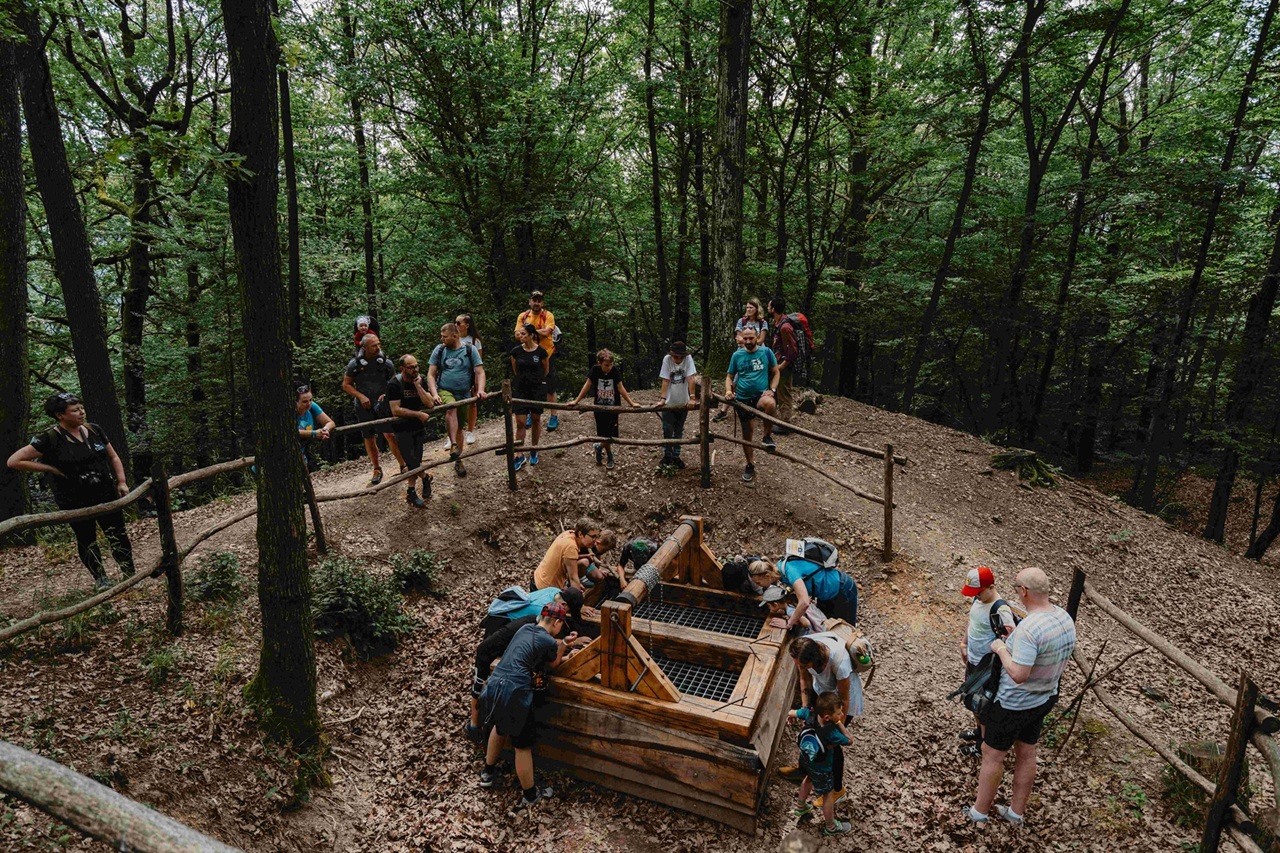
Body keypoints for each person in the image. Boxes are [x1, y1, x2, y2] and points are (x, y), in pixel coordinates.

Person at [965, 567, 1076, 827]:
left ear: (1024, 591)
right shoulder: (1064, 618)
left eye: (1017, 588)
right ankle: (1016, 813)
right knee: (1027, 753)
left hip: (1013, 704)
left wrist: (1001, 648)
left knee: (992, 755)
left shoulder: (1029, 629)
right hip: (1043, 698)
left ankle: (979, 813)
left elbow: (1018, 673)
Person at [7, 393, 134, 589]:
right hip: (74, 498)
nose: (81, 412)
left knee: (118, 533)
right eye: (75, 410)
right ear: (60, 415)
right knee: (86, 538)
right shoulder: (49, 439)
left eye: (81, 408)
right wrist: (49, 468)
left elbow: (114, 457)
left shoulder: (94, 430)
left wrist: (122, 482)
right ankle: (101, 578)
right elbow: (14, 461)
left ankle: (129, 574)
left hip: (105, 491)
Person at [478, 602, 577, 811]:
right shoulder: (548, 641)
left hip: (494, 684)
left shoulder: (524, 628)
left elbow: (532, 652)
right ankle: (530, 794)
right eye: (562, 625)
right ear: (558, 622)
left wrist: (562, 643)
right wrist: (565, 646)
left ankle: (487, 772)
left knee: (499, 727)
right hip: (515, 692)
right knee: (522, 746)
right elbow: (553, 663)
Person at [466, 590, 591, 742]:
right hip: (492, 648)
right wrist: (568, 644)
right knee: (479, 686)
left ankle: (491, 725)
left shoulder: (551, 601)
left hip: (507, 638)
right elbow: (548, 651)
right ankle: (474, 726)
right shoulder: (537, 619)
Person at [779, 633, 862, 806]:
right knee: (810, 731)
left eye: (802, 664)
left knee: (830, 745)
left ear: (814, 661)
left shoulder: (839, 662)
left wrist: (836, 726)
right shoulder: (805, 648)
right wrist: (805, 708)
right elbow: (804, 678)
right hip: (823, 695)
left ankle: (838, 790)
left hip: (839, 705)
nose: (799, 666)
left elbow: (844, 699)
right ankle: (803, 770)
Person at [958, 566, 1017, 757]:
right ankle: (978, 732)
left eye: (979, 592)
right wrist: (964, 643)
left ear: (991, 587)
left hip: (987, 667)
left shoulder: (1000, 610)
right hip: (973, 661)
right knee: (972, 701)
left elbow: (1013, 641)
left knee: (982, 706)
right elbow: (973, 622)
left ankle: (982, 745)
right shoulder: (978, 600)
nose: (975, 596)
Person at [342, 333, 405, 486]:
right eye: (374, 346)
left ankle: (403, 465)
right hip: (364, 405)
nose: (378, 348)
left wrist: (387, 394)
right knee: (369, 437)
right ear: (364, 347)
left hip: (383, 404)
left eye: (378, 344)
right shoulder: (355, 364)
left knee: (390, 434)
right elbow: (346, 385)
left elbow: (394, 382)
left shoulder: (386, 363)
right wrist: (360, 396)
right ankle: (376, 469)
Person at [427, 323, 487, 477]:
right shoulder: (439, 350)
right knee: (451, 407)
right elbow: (431, 374)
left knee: (460, 427)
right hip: (445, 390)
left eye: (445, 336)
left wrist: (480, 390)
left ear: (455, 336)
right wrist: (434, 393)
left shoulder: (469, 349)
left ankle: (458, 458)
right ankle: (453, 444)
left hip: (464, 393)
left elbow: (479, 371)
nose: (442, 339)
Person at [789, 691, 852, 837]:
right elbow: (850, 740)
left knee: (808, 778)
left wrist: (789, 717)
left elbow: (792, 712)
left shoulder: (809, 714)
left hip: (806, 759)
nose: (842, 715)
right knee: (828, 794)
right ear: (827, 717)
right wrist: (839, 724)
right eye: (839, 713)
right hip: (822, 767)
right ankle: (830, 826)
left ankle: (800, 806)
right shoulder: (832, 733)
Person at [724, 327, 779, 482]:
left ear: (757, 337)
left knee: (770, 404)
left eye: (751, 338)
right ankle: (749, 464)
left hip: (760, 395)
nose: (748, 341)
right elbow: (729, 376)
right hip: (742, 398)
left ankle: (767, 436)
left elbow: (776, 372)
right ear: (742, 338)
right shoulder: (737, 355)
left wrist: (772, 389)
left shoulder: (766, 352)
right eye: (745, 338)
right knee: (747, 433)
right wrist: (728, 390)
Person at [752, 550, 858, 629]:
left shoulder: (789, 571)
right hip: (824, 593)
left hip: (842, 589)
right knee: (827, 625)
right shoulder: (780, 569)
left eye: (758, 582)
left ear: (767, 576)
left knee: (845, 629)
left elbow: (804, 602)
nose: (759, 586)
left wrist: (789, 623)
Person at [570, 348, 636, 470]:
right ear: (599, 363)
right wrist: (576, 400)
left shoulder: (615, 371)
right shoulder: (595, 370)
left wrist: (631, 403)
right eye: (606, 365)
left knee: (611, 435)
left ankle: (599, 447)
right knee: (603, 434)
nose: (609, 367)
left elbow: (620, 387)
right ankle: (609, 455)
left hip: (613, 407)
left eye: (611, 364)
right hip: (599, 406)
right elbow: (587, 385)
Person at [385, 354, 435, 507]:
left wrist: (418, 386)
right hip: (401, 429)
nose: (415, 370)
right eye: (411, 367)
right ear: (402, 369)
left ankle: (411, 491)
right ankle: (424, 478)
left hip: (417, 427)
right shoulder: (394, 384)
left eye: (416, 366)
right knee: (411, 460)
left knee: (416, 460)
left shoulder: (419, 381)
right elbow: (395, 410)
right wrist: (418, 414)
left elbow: (430, 404)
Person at [514, 291, 560, 430]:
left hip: (547, 354)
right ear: (530, 301)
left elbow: (547, 332)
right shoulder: (523, 316)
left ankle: (554, 415)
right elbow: (517, 334)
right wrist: (529, 332)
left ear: (542, 303)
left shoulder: (548, 315)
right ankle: (529, 412)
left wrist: (529, 331)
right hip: (528, 355)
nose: (537, 303)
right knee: (529, 384)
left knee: (549, 386)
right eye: (534, 300)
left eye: (539, 300)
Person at [509, 323, 549, 471]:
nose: (521, 336)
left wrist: (537, 382)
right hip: (520, 390)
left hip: (537, 390)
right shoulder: (515, 352)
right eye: (520, 334)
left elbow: (545, 370)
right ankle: (519, 454)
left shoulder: (541, 352)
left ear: (532, 335)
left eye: (524, 334)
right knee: (520, 422)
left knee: (536, 419)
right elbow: (515, 369)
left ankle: (534, 448)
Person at [658, 341, 699, 470]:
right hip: (670, 401)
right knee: (667, 429)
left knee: (679, 429)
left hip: (683, 401)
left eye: (680, 357)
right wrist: (663, 399)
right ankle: (667, 455)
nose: (678, 359)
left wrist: (692, 397)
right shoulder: (667, 360)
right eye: (676, 356)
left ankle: (676, 455)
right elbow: (665, 379)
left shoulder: (688, 359)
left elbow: (691, 378)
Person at [532, 520, 600, 592]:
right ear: (580, 534)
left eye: (596, 537)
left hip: (537, 579)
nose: (595, 541)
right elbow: (573, 578)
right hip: (544, 588)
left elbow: (565, 559)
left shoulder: (569, 533)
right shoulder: (571, 546)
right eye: (593, 537)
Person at [768, 297, 799, 432]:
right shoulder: (778, 324)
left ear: (773, 309)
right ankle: (774, 417)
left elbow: (792, 351)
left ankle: (786, 423)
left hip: (783, 366)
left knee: (784, 391)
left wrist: (782, 366)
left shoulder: (785, 327)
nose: (767, 308)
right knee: (776, 390)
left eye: (769, 306)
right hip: (777, 363)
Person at [456, 314, 483, 446]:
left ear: (467, 325)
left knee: (472, 403)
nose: (456, 325)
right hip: (456, 374)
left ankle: (470, 431)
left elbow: (479, 362)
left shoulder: (474, 341)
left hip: (470, 375)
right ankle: (454, 434)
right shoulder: (453, 338)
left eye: (458, 323)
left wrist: (477, 380)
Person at [294, 384, 334, 471]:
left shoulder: (312, 407)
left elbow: (329, 422)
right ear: (295, 401)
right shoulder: (288, 411)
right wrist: (314, 433)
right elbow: (293, 432)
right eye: (304, 402)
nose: (308, 403)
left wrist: (325, 430)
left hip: (302, 452)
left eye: (310, 400)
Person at [761, 584, 827, 635]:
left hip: (810, 633)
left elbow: (807, 623)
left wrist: (787, 623)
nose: (769, 608)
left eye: (769, 606)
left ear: (776, 604)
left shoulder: (790, 610)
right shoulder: (791, 601)